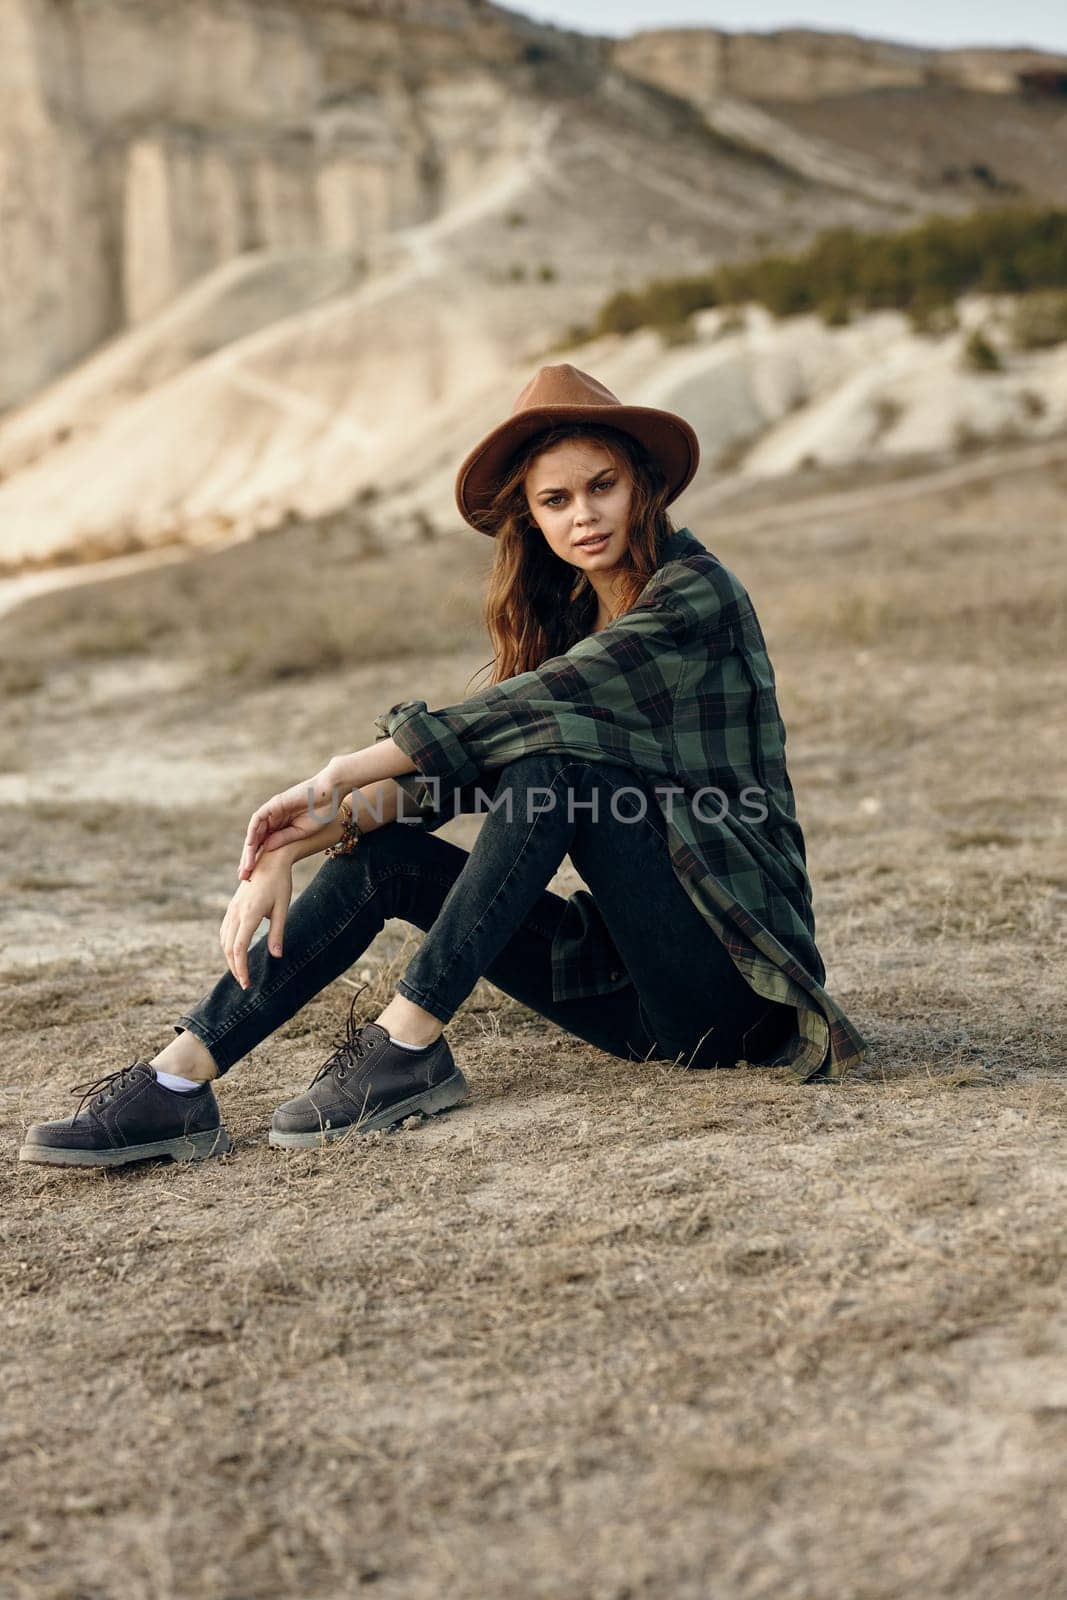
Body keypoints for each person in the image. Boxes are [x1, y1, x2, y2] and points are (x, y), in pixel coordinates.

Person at [19, 363, 868, 1169]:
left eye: (600, 486)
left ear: (642, 483)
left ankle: (405, 1046)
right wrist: (303, 839)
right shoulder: (574, 613)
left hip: (732, 992)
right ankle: (178, 1080)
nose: (583, 515)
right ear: (531, 517)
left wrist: (340, 771)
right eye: (555, 499)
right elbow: (463, 773)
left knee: (558, 771)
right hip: (629, 995)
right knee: (390, 857)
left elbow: (527, 712)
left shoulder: (694, 595)